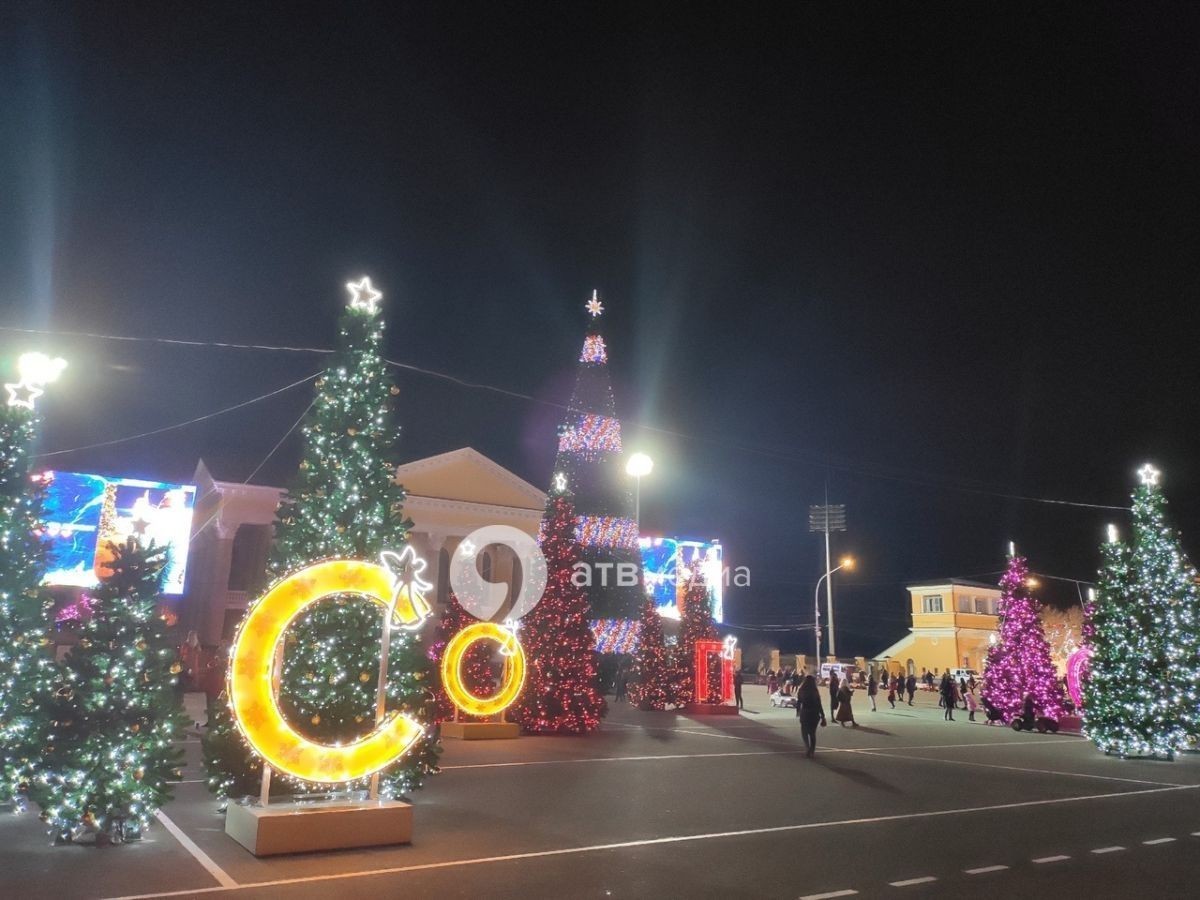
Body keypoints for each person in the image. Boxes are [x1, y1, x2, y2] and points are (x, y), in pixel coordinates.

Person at [795, 674, 827, 757]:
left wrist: (798, 711)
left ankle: (807, 747)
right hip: (815, 713)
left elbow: (799, 702)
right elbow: (819, 704)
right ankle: (812, 750)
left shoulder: (801, 690)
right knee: (812, 733)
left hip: (805, 712)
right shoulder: (815, 691)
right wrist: (823, 715)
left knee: (804, 731)